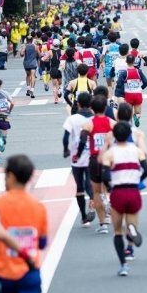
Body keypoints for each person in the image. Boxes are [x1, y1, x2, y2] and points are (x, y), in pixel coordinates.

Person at [0, 155, 48, 293]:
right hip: (29, 270)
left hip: (2, 271)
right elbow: (43, 242)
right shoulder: (38, 206)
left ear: (11, 176)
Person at [100, 121, 147, 276]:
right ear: (129, 133)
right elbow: (146, 169)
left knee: (117, 231)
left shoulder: (110, 153)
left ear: (114, 135)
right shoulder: (137, 151)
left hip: (118, 192)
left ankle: (123, 265)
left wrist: (110, 186)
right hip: (133, 191)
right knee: (131, 220)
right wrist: (137, 179)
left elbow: (105, 174)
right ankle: (132, 229)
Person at [77, 95, 115, 234]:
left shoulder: (89, 124)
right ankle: (110, 206)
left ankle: (103, 223)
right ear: (105, 107)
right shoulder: (112, 123)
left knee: (97, 192)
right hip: (110, 159)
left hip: (95, 159)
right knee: (109, 187)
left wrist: (78, 154)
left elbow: (82, 141)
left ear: (92, 108)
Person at [62, 92, 96, 227]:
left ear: (78, 104)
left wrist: (66, 149)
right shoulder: (94, 118)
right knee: (89, 182)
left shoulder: (72, 119)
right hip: (92, 154)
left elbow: (65, 137)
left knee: (80, 187)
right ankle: (93, 200)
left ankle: (83, 216)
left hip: (77, 156)